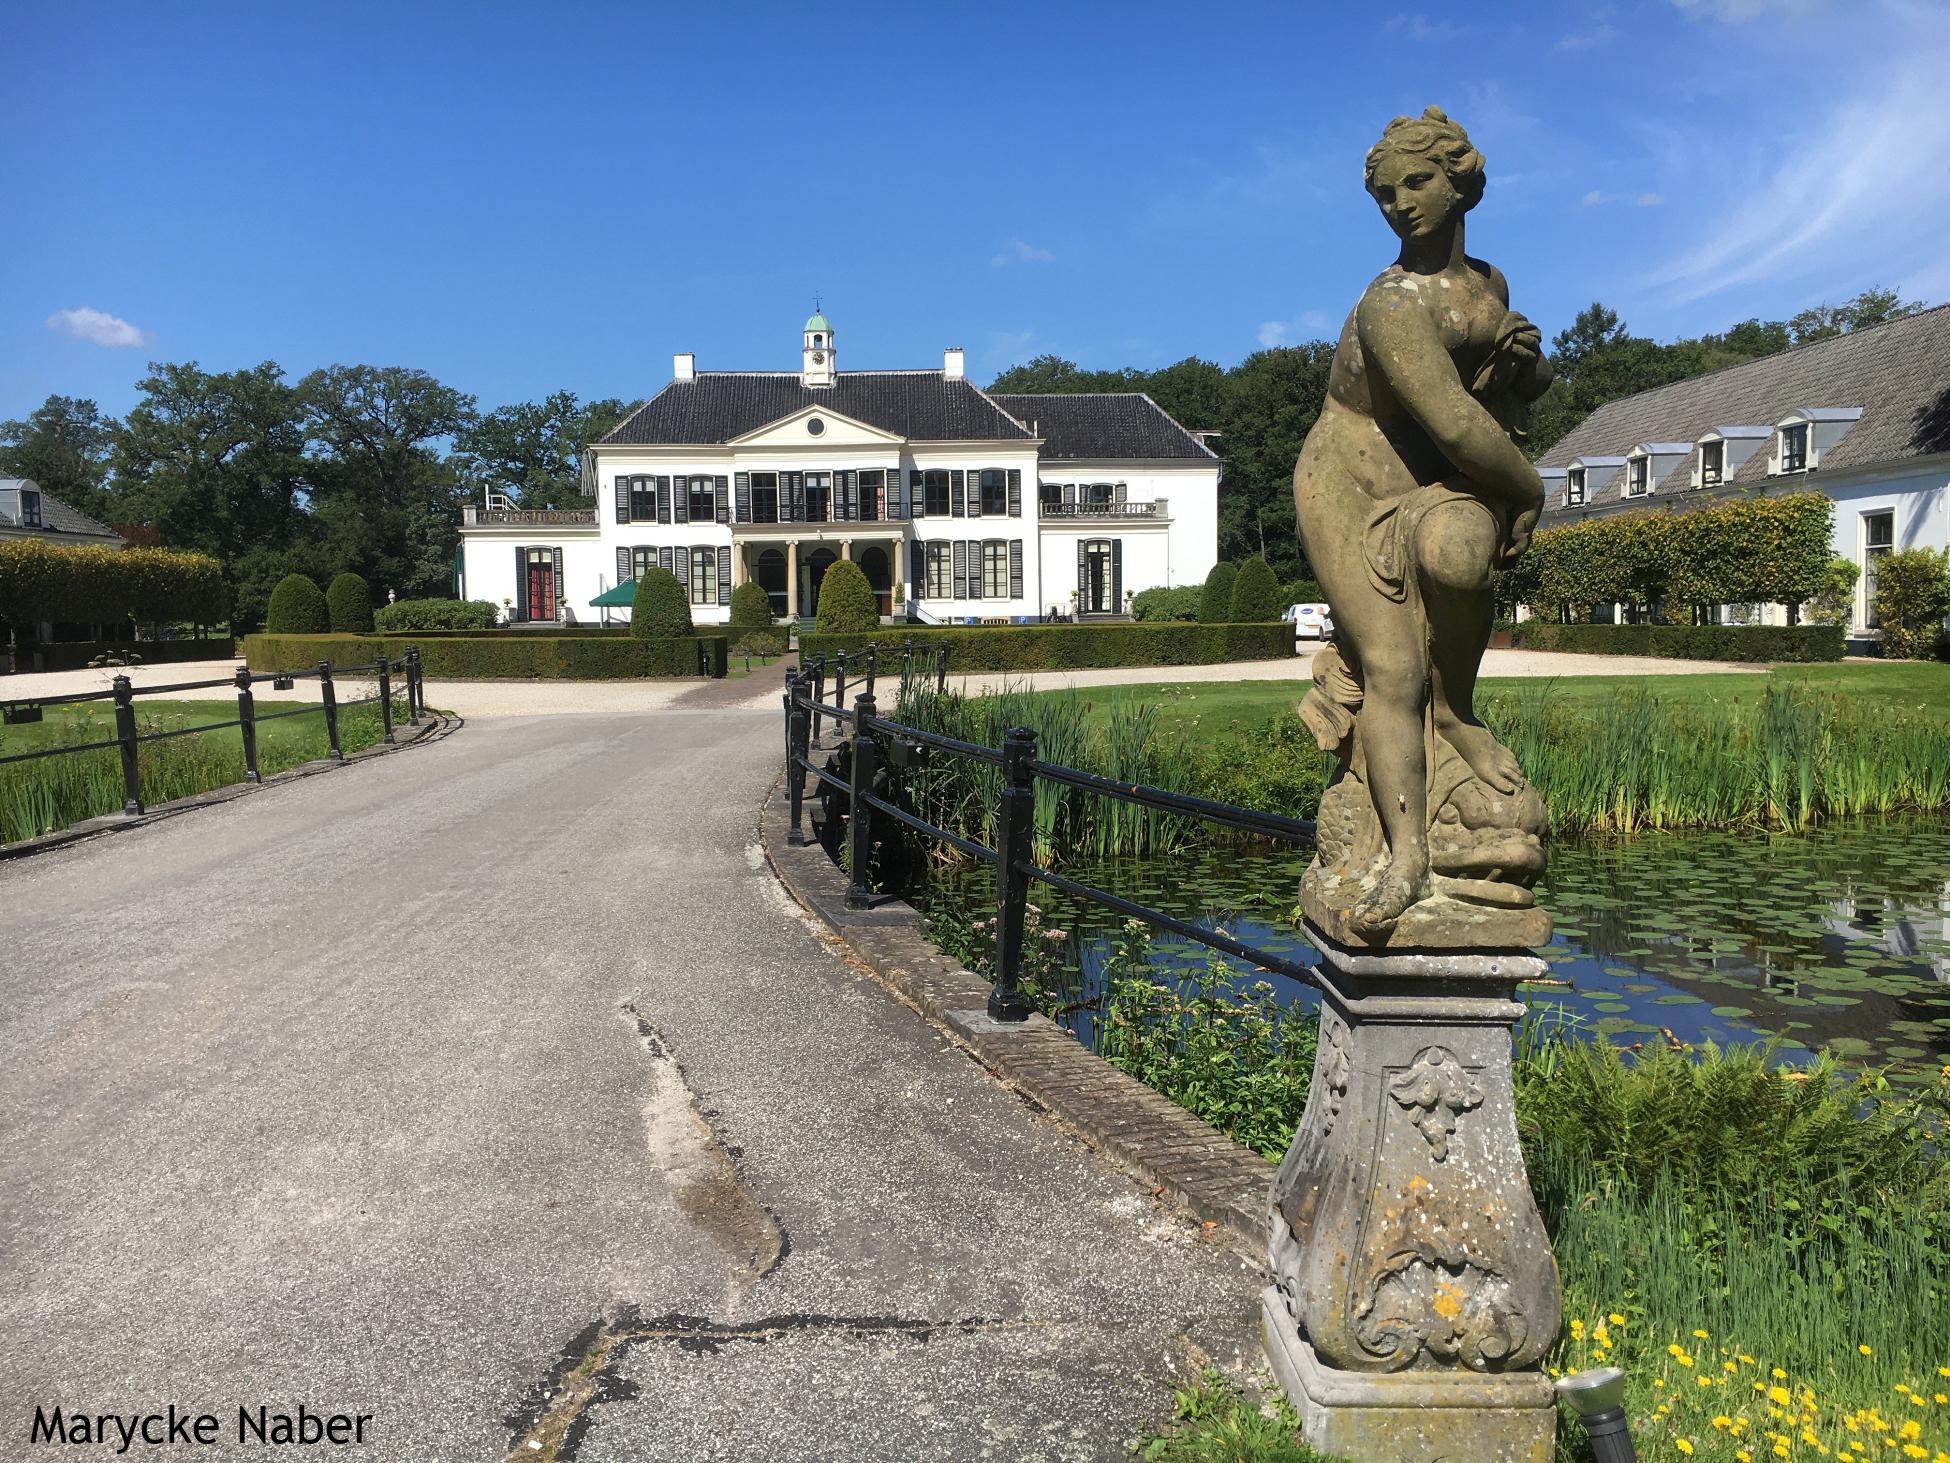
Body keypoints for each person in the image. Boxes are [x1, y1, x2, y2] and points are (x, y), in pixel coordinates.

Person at [1293, 107, 1552, 939]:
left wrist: (1527, 363)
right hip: (1347, 481)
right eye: (1384, 195)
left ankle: (1458, 714)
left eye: (1417, 183)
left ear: (1460, 181)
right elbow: (1452, 422)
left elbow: (1506, 395)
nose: (1400, 204)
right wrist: (1530, 489)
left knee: (1463, 553)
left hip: (1429, 485)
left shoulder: (1488, 285)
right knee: (1395, 669)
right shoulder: (1391, 305)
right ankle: (1406, 857)